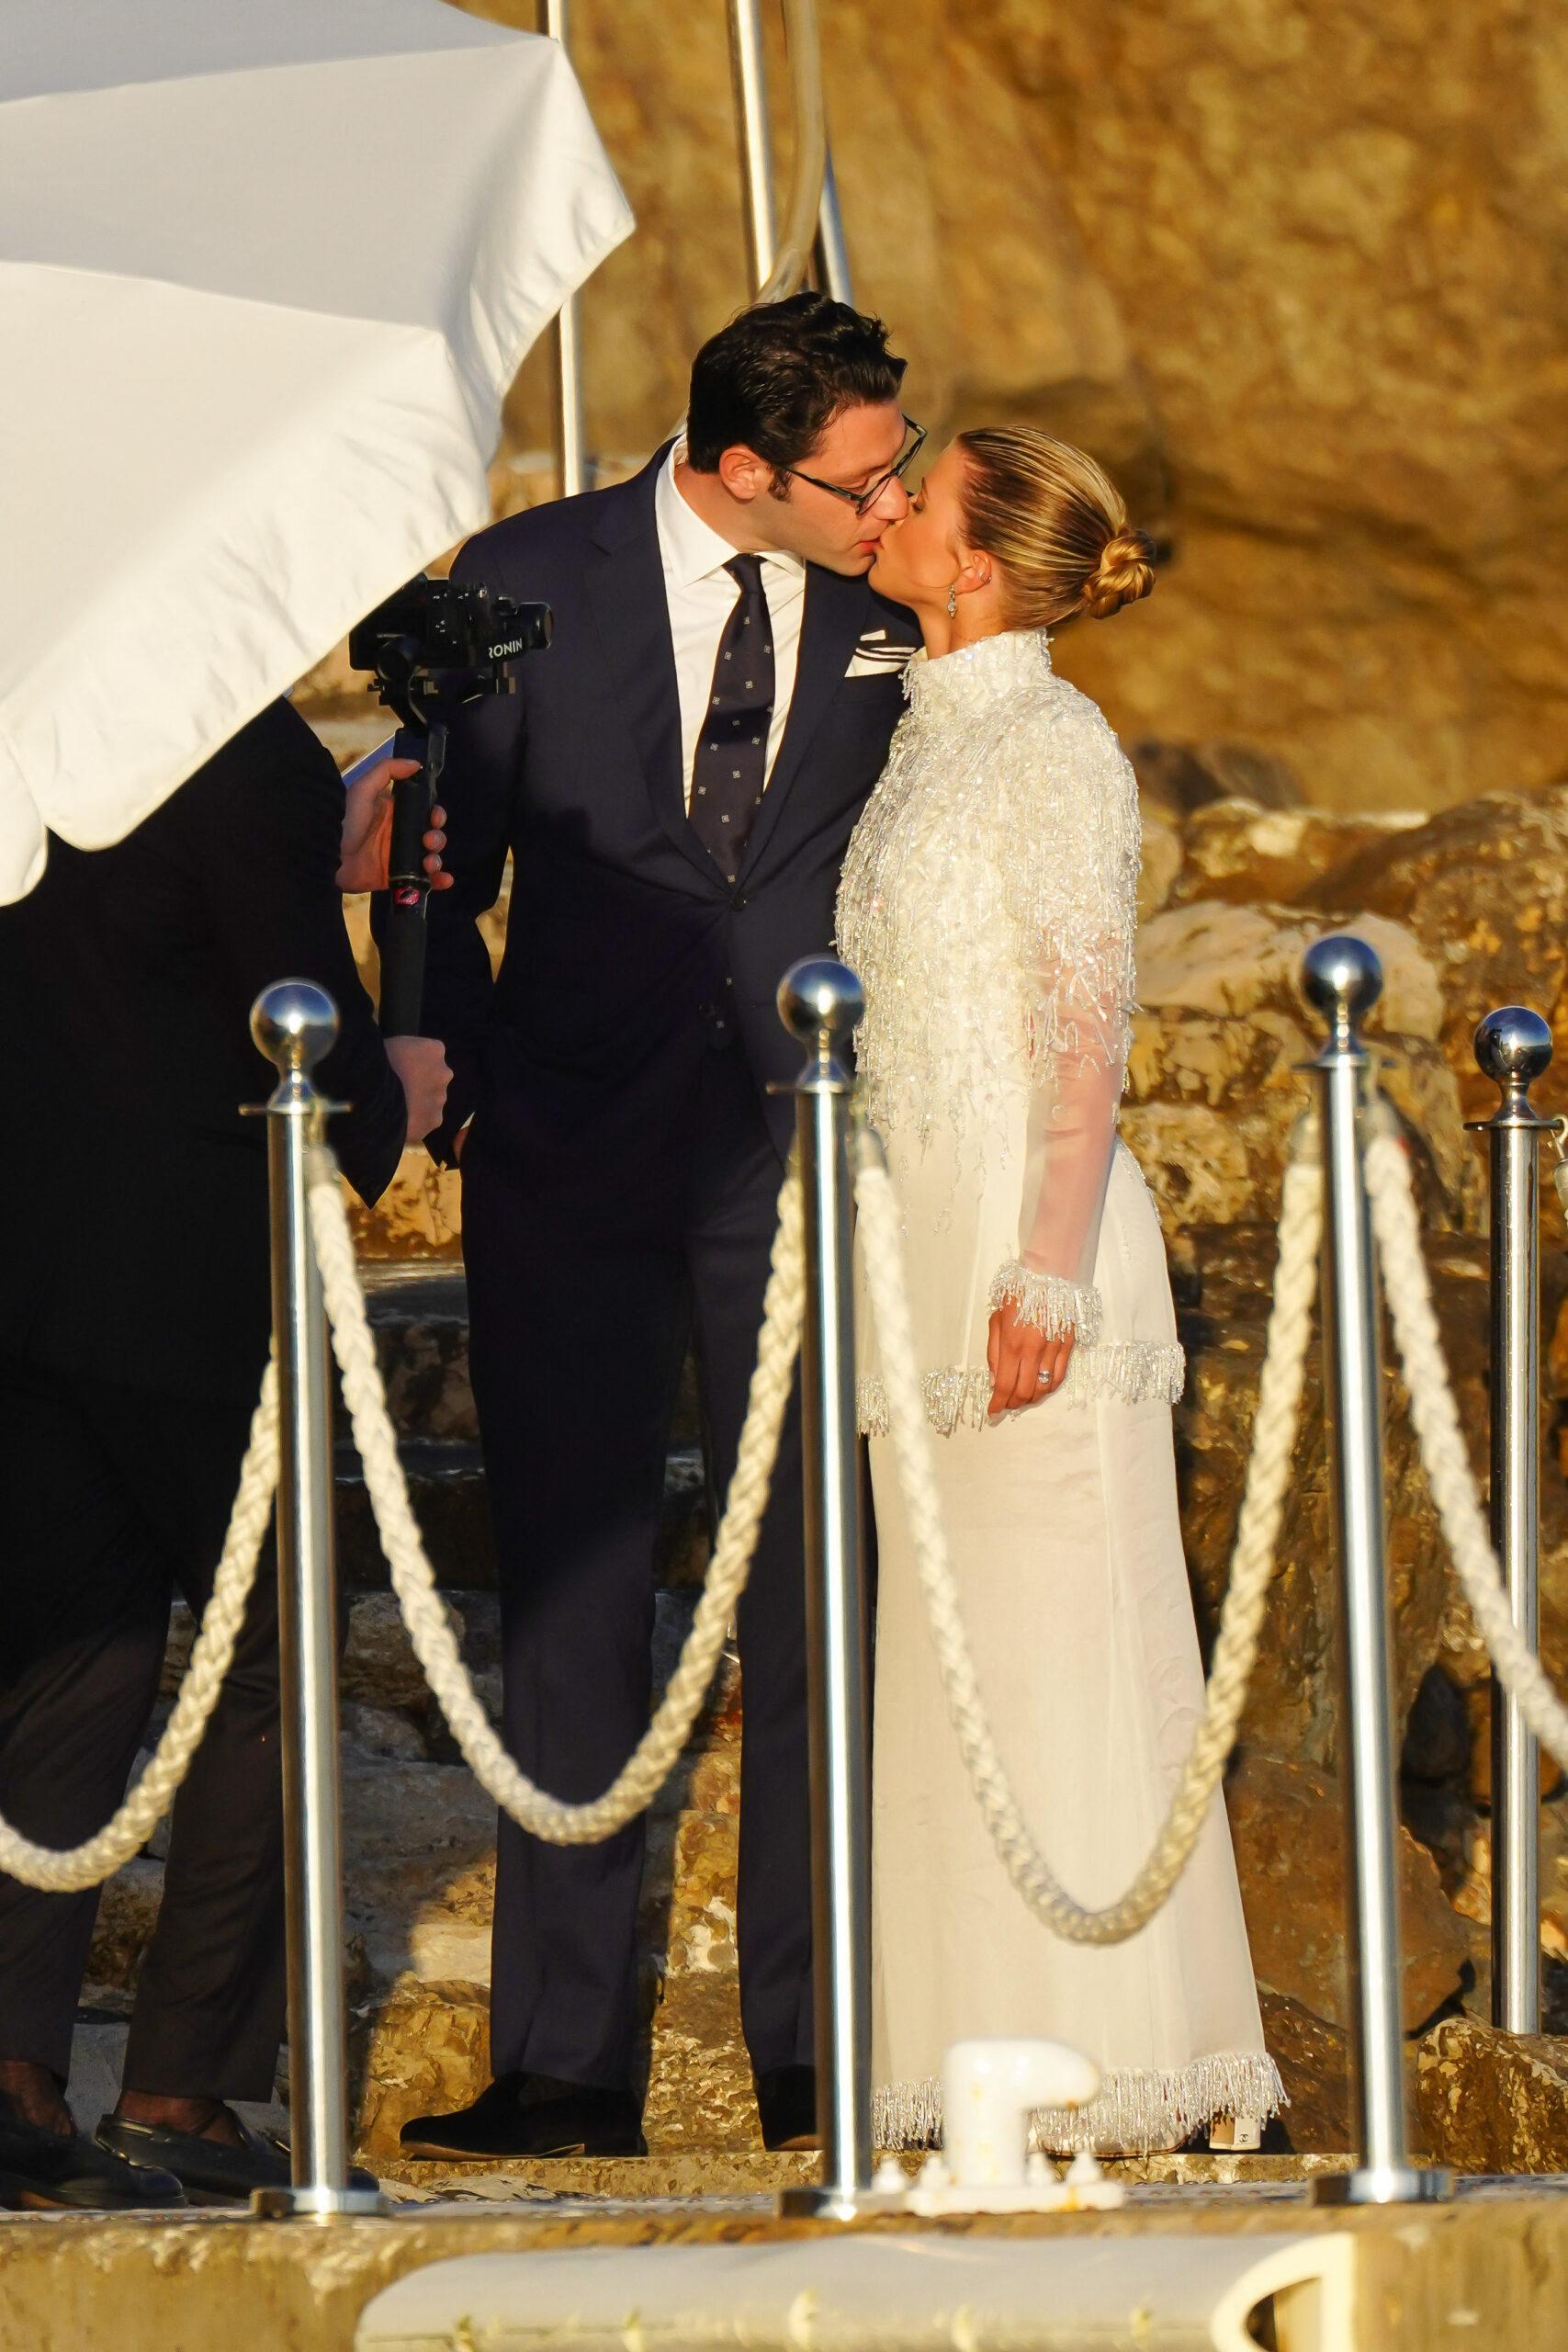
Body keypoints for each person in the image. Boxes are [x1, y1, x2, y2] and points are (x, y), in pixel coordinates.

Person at [398, 292, 921, 2163]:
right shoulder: (524, 573)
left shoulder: (889, 617)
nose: (895, 498)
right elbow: (441, 846)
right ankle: (559, 2066)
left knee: (811, 1608)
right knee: (565, 1599)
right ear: (742, 470)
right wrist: (437, 1062)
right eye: (865, 474)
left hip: (797, 1151)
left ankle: (815, 2053)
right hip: (563, 1143)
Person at [837, 429, 1282, 2154]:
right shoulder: (923, 741)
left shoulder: (1055, 746)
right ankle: (966, 2065)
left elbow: (1086, 1030)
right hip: (915, 1252)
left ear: (974, 564)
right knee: (949, 1677)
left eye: (917, 494)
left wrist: (1041, 1261)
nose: (887, 510)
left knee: (1057, 1665)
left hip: (1034, 1261)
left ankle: (1103, 2070)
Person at [0, 702, 451, 2210]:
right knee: (270, 1661)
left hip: (28, 1267)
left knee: (76, 1658)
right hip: (194, 1285)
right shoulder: (230, 750)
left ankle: (10, 2076)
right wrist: (402, 1092)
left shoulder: (38, 723)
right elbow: (290, 1020)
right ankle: (182, 2091)